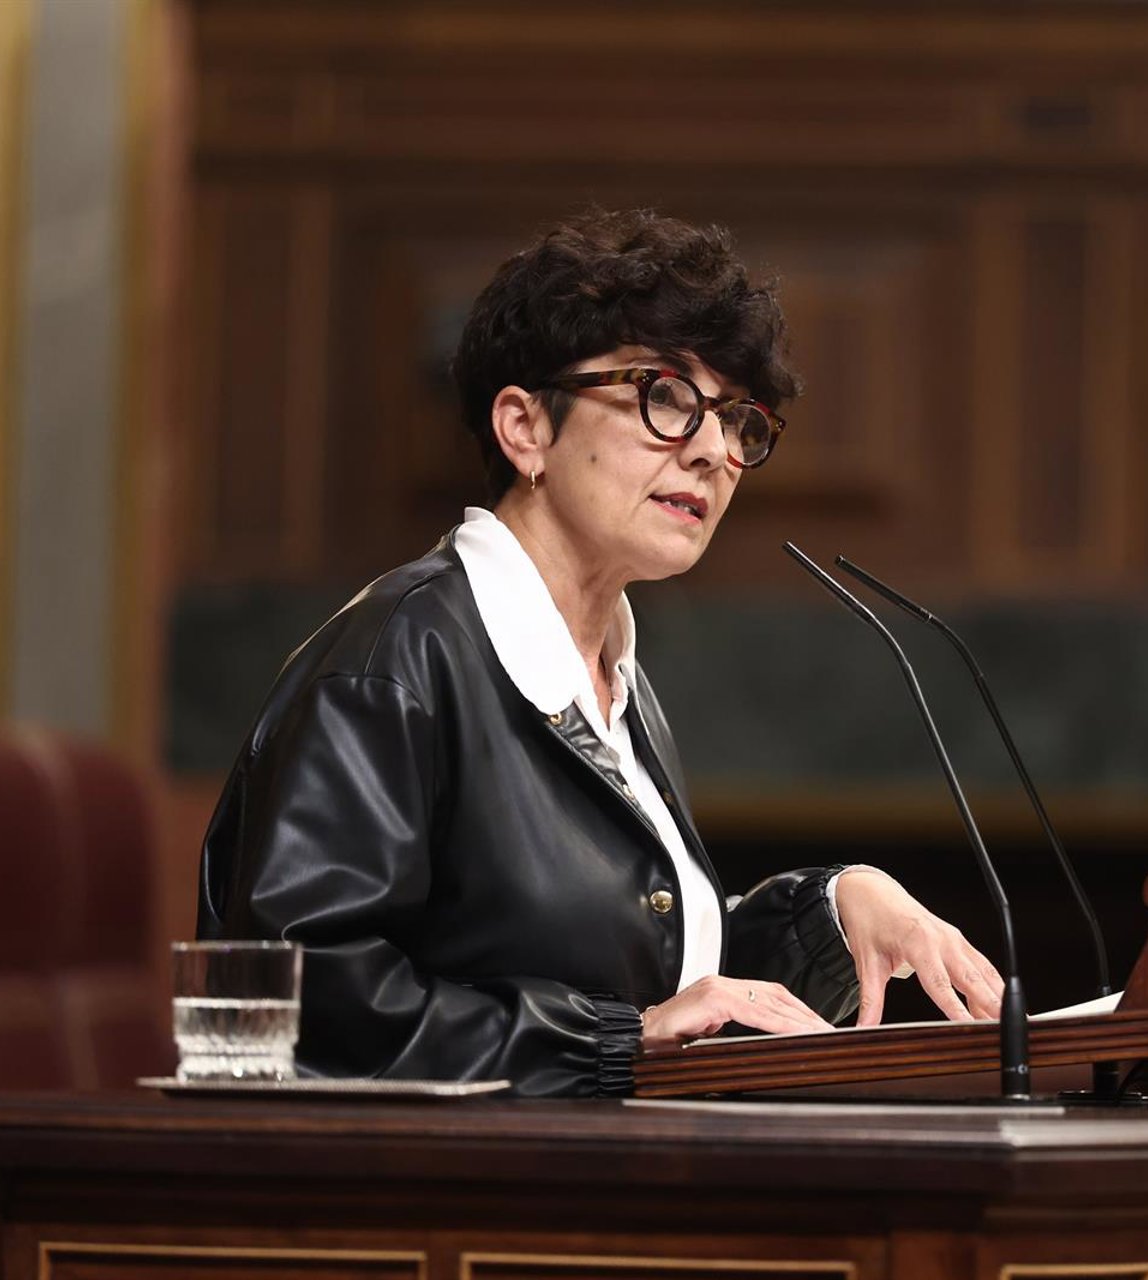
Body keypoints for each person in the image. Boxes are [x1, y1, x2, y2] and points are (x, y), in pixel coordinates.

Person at [197, 207, 1004, 1095]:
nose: (713, 452)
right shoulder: (395, 661)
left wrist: (832, 914)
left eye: (737, 420)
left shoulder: (613, 676)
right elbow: (299, 1000)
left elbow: (635, 978)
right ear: (526, 428)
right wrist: (616, 1042)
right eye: (666, 398)